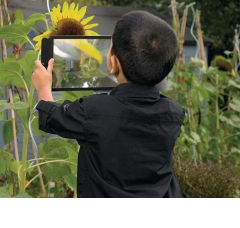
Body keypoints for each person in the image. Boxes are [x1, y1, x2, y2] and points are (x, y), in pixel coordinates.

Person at [32, 10, 185, 198]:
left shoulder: (93, 111)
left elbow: (52, 117)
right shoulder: (174, 113)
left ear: (113, 64)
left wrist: (44, 87)